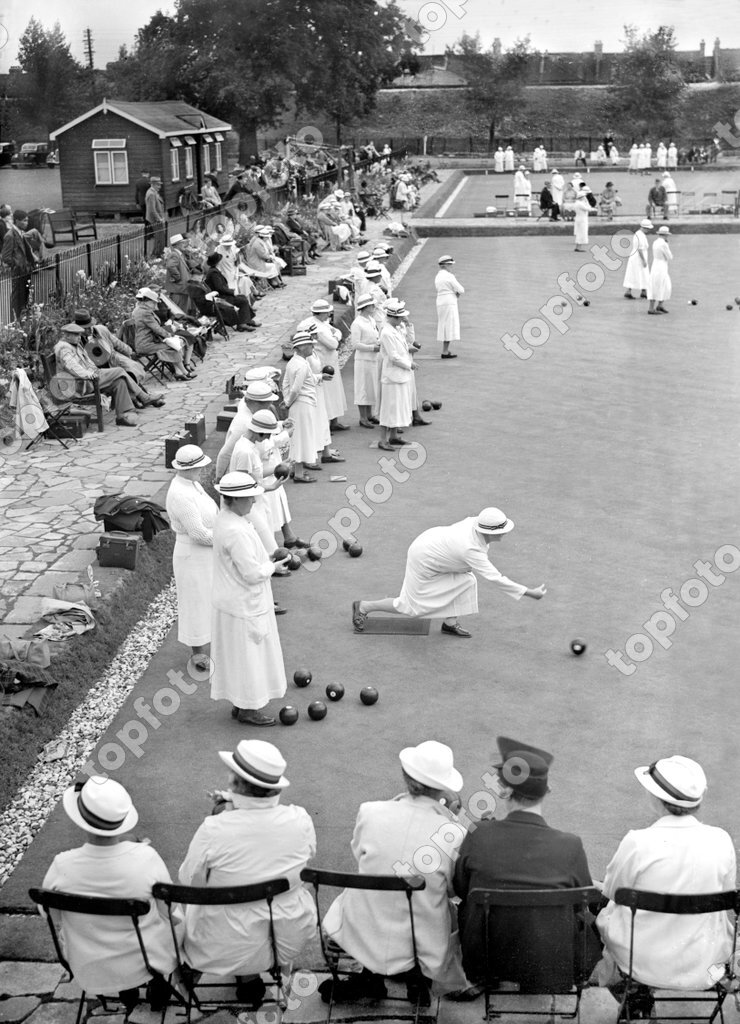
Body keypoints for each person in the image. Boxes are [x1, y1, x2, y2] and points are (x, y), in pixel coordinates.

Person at [320, 741, 468, 1005]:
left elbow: (360, 856)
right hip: (422, 939)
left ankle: (372, 977)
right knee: (441, 906)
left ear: (406, 776)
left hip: (362, 930)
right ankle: (417, 979)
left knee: (374, 891)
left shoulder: (370, 811)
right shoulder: (453, 832)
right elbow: (454, 889)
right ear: (443, 787)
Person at [595, 756, 736, 1020]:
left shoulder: (637, 842)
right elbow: (725, 895)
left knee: (603, 908)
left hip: (641, 960)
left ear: (656, 798)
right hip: (705, 962)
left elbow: (611, 893)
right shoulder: (721, 840)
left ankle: (635, 997)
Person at [178, 740, 316, 1008]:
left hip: (221, 944)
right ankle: (250, 976)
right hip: (286, 936)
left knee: (205, 904)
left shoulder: (213, 828)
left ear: (235, 782)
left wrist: (227, 815)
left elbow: (186, 879)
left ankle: (246, 975)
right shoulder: (301, 819)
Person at [454, 737, 598, 993]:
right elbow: (581, 903)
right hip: (553, 961)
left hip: (486, 962)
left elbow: (461, 888)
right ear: (547, 790)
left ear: (505, 791)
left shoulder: (478, 834)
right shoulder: (571, 845)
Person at [41, 777, 178, 1013]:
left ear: (82, 821)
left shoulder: (62, 865)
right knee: (175, 922)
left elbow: (50, 917)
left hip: (89, 964)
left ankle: (127, 992)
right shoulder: (147, 857)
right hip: (146, 959)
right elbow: (170, 911)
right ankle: (158, 983)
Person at [352, 507, 547, 638]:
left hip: (436, 549)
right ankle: (364, 607)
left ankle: (449, 623)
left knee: (466, 581)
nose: (505, 532)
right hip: (424, 557)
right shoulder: (470, 549)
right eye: (502, 530)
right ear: (490, 532)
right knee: (410, 607)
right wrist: (530, 592)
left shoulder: (476, 524)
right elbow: (496, 578)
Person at [210, 471, 288, 726]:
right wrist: (274, 566)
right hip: (244, 602)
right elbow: (253, 574)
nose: (254, 502)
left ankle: (240, 702)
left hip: (233, 600)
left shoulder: (226, 519)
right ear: (233, 499)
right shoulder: (235, 530)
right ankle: (248, 709)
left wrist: (268, 559)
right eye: (249, 498)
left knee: (239, 654)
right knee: (249, 656)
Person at [166, 444, 218, 672]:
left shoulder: (192, 483)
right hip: (191, 554)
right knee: (195, 600)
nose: (203, 469)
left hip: (207, 552)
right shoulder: (179, 493)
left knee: (212, 596)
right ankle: (197, 651)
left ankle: (217, 640)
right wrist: (226, 538)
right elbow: (197, 534)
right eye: (199, 466)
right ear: (186, 468)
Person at [54, 322, 160, 427]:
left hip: (87, 379)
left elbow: (87, 362)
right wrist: (90, 374)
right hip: (79, 384)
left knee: (119, 381)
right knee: (119, 371)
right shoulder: (64, 349)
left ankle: (122, 416)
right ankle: (143, 396)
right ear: (67, 335)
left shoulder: (74, 345)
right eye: (76, 335)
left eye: (79, 334)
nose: (79, 337)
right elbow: (73, 368)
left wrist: (93, 370)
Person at [216, 375, 281, 480]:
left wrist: (281, 425)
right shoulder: (245, 423)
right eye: (267, 404)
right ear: (255, 403)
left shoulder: (250, 412)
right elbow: (225, 453)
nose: (269, 408)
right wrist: (218, 478)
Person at [377, 300, 415, 451]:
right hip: (392, 375)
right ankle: (382, 439)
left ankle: (393, 436)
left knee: (398, 406)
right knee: (389, 407)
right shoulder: (386, 332)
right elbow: (393, 356)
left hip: (400, 374)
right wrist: (409, 364)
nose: (402, 321)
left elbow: (405, 345)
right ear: (393, 317)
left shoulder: (396, 329)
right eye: (400, 318)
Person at [282, 333, 320, 483]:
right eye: (310, 345)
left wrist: (286, 400)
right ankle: (298, 473)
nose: (313, 347)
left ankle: (295, 469)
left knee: (297, 437)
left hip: (297, 404)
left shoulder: (293, 362)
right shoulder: (303, 365)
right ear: (302, 347)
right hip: (303, 404)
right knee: (303, 437)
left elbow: (286, 384)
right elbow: (296, 389)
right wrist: (288, 402)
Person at [132, 287, 193, 380]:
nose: (155, 305)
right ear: (147, 301)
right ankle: (183, 372)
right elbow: (157, 329)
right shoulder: (145, 312)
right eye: (154, 303)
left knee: (174, 345)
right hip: (146, 345)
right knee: (174, 346)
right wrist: (170, 335)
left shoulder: (140, 309)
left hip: (147, 342)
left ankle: (180, 372)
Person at [310, 298, 349, 433]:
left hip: (330, 360)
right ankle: (325, 424)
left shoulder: (322, 323)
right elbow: (333, 344)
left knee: (334, 392)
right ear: (320, 313)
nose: (329, 315)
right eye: (326, 312)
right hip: (323, 363)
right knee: (325, 394)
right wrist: (336, 337)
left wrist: (336, 335)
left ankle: (334, 421)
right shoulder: (318, 328)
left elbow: (337, 331)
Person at [204, 253, 258, 332]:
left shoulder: (214, 271)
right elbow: (220, 288)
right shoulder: (213, 273)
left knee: (242, 297)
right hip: (220, 297)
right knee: (242, 300)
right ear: (218, 262)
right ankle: (242, 324)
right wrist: (232, 292)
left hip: (222, 295)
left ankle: (246, 320)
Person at [351, 293, 380, 428]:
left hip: (373, 358)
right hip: (363, 359)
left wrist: (379, 343)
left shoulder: (371, 320)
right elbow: (355, 344)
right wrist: (371, 348)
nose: (374, 306)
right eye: (371, 305)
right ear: (365, 307)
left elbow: (375, 335)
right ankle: (363, 418)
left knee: (370, 386)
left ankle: (370, 415)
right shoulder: (357, 323)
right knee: (362, 387)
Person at [1, 209, 36, 318]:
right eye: (24, 221)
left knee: (26, 296)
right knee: (17, 299)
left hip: (26, 270)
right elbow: (6, 257)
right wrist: (17, 265)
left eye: (27, 220)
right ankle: (15, 320)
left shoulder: (21, 233)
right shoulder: (10, 236)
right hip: (18, 272)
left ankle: (24, 318)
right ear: (17, 221)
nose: (27, 223)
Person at [435, 254, 465, 359]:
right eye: (450, 265)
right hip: (449, 301)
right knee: (449, 325)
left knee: (444, 324)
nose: (451, 267)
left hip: (440, 301)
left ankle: (445, 350)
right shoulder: (449, 276)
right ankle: (445, 351)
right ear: (445, 265)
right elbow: (461, 289)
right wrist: (456, 292)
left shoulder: (438, 276)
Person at [164, 234, 198, 313]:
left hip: (182, 290)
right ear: (177, 245)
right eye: (182, 243)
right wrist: (177, 277)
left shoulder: (180, 254)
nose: (184, 245)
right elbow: (170, 266)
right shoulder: (174, 254)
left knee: (183, 311)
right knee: (180, 313)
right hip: (178, 290)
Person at [623, 220, 652, 300]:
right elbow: (640, 249)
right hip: (637, 258)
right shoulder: (640, 235)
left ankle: (643, 291)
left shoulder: (640, 234)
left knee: (643, 273)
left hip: (637, 257)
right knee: (635, 273)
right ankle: (629, 291)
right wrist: (643, 260)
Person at [647, 226, 672, 315]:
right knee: (659, 284)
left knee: (664, 284)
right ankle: (651, 308)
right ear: (666, 235)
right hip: (661, 266)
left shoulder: (655, 242)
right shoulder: (664, 244)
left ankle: (660, 305)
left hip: (656, 264)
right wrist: (667, 245)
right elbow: (669, 256)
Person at [145, 177, 166, 257]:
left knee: (160, 237)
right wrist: (159, 219)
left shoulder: (154, 192)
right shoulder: (151, 194)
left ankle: (158, 253)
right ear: (153, 184)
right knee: (159, 237)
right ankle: (156, 254)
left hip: (157, 218)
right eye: (158, 185)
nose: (159, 187)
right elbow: (152, 210)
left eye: (160, 185)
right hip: (155, 220)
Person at [573, 183, 593, 252]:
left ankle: (578, 247)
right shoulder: (580, 204)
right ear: (581, 197)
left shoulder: (577, 203)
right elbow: (589, 208)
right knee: (581, 233)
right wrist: (586, 201)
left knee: (580, 233)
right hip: (582, 219)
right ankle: (578, 247)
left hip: (580, 219)